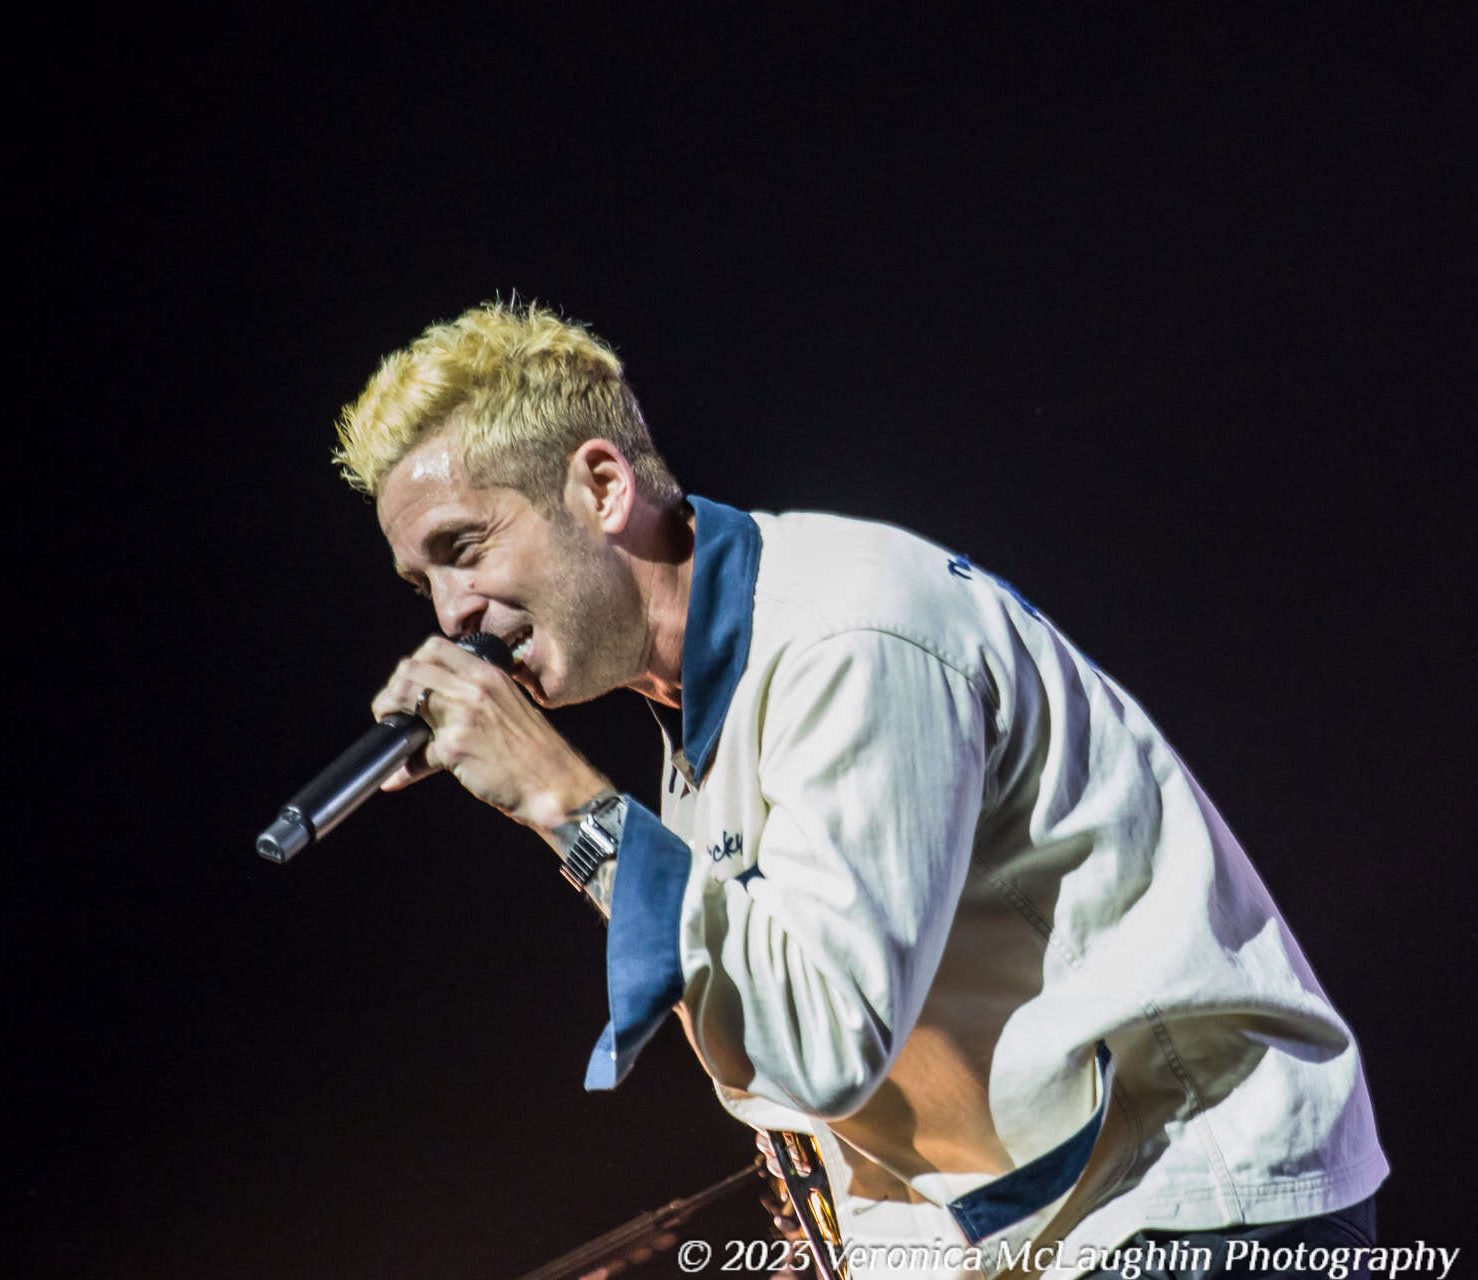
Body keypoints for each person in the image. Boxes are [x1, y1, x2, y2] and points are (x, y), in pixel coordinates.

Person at [332, 300, 1386, 1280]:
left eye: (464, 548)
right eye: (424, 582)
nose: (450, 612)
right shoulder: (703, 704)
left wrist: (565, 800)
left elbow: (828, 1043)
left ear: (602, 486)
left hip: (1195, 1201)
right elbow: (804, 1056)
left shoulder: (848, 634)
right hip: (1060, 1221)